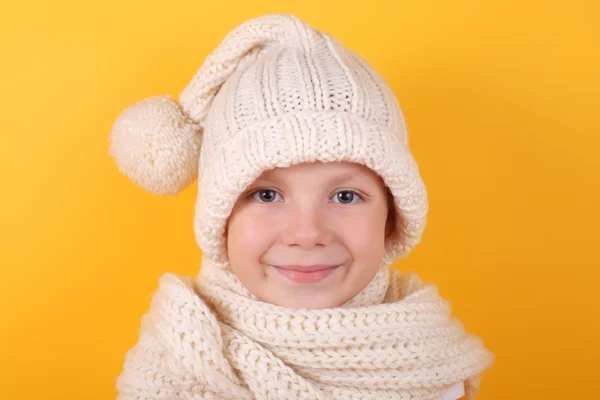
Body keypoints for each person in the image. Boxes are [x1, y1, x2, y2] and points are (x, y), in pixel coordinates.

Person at [108, 13, 495, 400]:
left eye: (345, 197)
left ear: (393, 217)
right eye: (266, 195)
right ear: (219, 219)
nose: (307, 234)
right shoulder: (175, 364)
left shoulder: (430, 366)